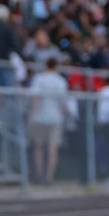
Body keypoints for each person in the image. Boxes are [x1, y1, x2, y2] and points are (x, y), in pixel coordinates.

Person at [27, 56, 72, 186]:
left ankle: (40, 174)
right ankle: (49, 177)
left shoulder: (39, 79)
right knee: (52, 149)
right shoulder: (60, 81)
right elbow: (63, 103)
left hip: (40, 116)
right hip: (55, 118)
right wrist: (66, 115)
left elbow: (36, 99)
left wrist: (32, 115)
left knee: (39, 147)